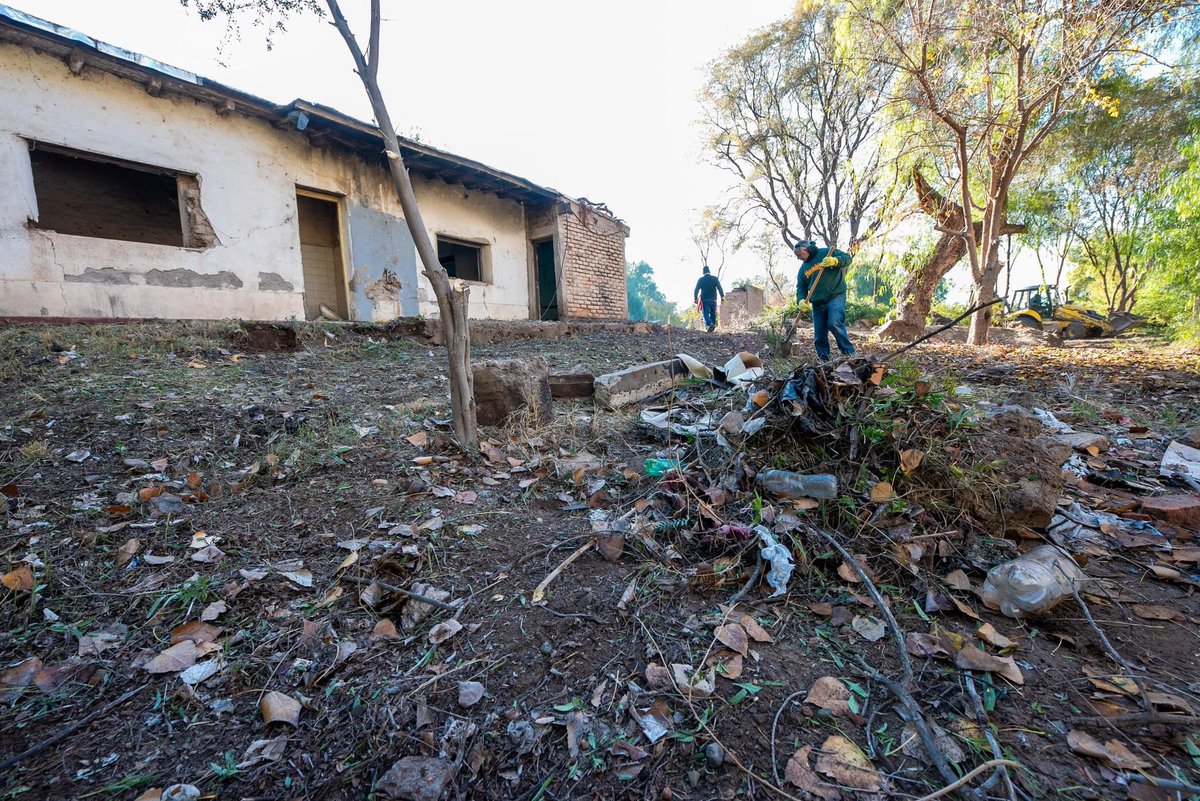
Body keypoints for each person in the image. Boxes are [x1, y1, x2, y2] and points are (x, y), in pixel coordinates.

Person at [794, 240, 856, 361]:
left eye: (799, 255)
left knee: (834, 323)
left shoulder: (827, 253)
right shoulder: (803, 269)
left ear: (807, 250)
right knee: (819, 333)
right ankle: (823, 358)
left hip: (835, 294)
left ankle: (849, 352)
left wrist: (835, 261)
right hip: (817, 302)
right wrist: (801, 300)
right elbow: (801, 287)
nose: (798, 258)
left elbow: (847, 258)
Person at [693, 265, 725, 333]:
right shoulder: (715, 279)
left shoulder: (701, 280)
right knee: (713, 314)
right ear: (709, 271)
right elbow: (720, 288)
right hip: (714, 300)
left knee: (706, 313)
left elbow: (696, 290)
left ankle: (710, 324)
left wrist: (695, 299)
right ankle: (712, 328)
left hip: (705, 300)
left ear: (703, 272)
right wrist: (722, 297)